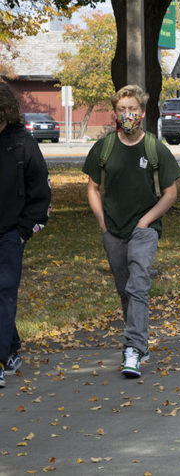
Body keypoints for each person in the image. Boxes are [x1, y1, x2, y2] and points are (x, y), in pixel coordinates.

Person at [83, 85, 180, 378]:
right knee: (125, 289)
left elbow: (171, 192)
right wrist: (102, 221)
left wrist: (146, 221)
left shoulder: (154, 148)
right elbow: (92, 187)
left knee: (138, 284)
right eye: (122, 110)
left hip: (144, 229)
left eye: (133, 110)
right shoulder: (105, 147)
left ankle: (133, 348)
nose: (128, 115)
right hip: (112, 228)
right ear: (115, 113)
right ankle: (139, 340)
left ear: (142, 112)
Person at [0, 82, 50, 389]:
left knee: (4, 294)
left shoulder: (22, 144)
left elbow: (40, 195)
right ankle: (13, 346)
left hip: (9, 235)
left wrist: (23, 232)